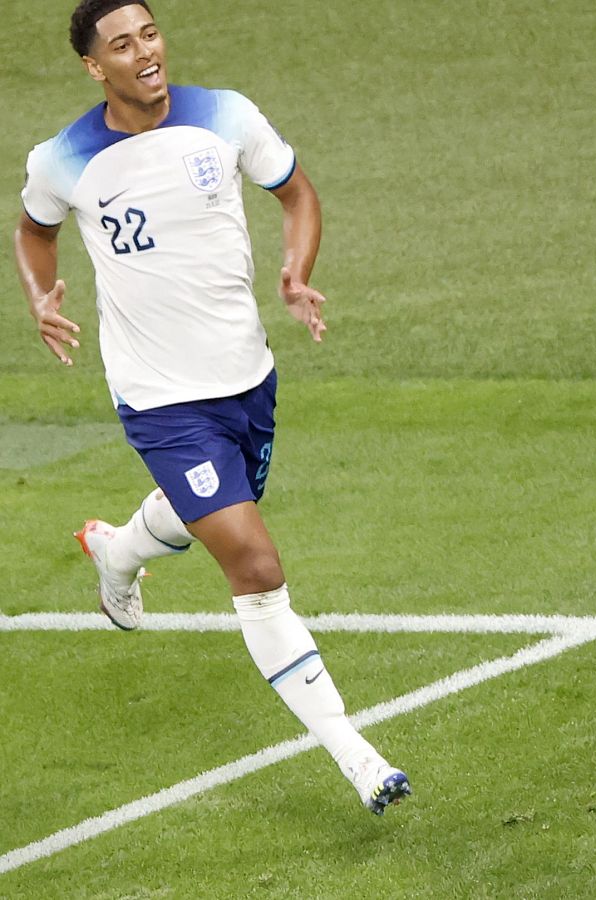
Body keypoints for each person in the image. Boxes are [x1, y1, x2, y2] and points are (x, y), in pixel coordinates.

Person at [13, 0, 410, 815]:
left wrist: (296, 273)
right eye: (122, 45)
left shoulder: (226, 115)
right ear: (96, 67)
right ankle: (358, 757)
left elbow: (297, 194)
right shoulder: (65, 158)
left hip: (247, 377)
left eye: (150, 34)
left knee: (217, 513)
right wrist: (39, 296)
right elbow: (33, 230)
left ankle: (118, 551)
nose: (144, 52)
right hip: (160, 399)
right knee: (255, 566)